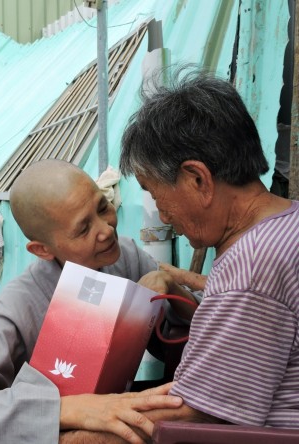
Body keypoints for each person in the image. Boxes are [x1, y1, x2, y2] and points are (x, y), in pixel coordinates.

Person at [0, 159, 196, 444]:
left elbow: (184, 339)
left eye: (102, 207)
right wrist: (66, 409)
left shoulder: (127, 258)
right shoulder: (20, 304)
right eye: (83, 229)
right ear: (42, 250)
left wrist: (173, 289)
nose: (106, 230)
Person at [119, 68, 299, 428]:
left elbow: (188, 417)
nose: (164, 215)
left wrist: (65, 423)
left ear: (197, 179)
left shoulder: (251, 267)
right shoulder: (287, 222)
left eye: (156, 195)